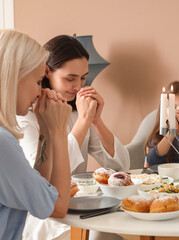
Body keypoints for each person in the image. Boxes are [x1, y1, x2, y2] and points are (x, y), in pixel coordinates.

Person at [18, 35, 129, 240]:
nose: (78, 86)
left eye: (83, 77)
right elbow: (46, 180)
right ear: (47, 71)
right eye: (70, 78)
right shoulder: (26, 116)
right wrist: (83, 122)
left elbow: (121, 166)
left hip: (82, 208)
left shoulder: (78, 112)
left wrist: (96, 121)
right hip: (48, 219)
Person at [0, 30, 72, 240]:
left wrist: (46, 131)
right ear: (16, 76)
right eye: (39, 81)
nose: (40, 91)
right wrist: (59, 132)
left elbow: (37, 194)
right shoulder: (2, 143)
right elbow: (58, 207)